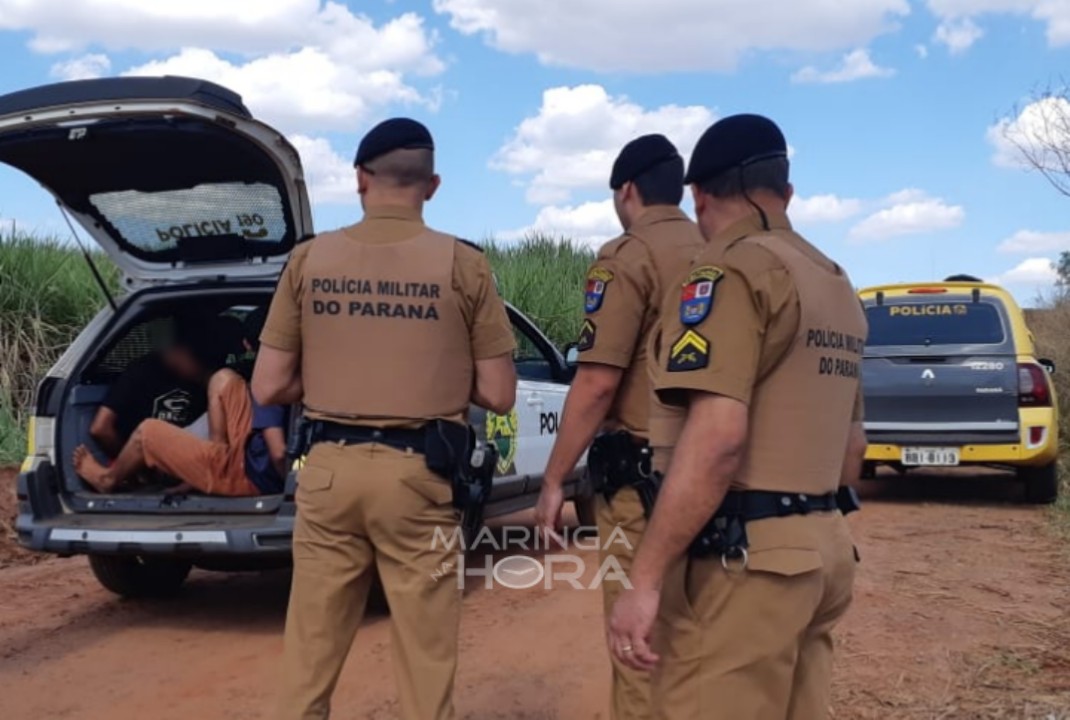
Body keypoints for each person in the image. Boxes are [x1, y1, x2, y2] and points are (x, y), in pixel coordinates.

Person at [251, 117, 517, 720]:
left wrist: (331, 377)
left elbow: (268, 384)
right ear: (434, 184)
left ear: (360, 179)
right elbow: (499, 393)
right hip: (419, 475)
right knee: (426, 659)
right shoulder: (464, 264)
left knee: (309, 658)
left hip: (326, 474)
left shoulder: (309, 260)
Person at [606, 114, 868, 720]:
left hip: (744, 564)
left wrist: (643, 580)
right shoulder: (834, 282)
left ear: (700, 195)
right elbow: (852, 450)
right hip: (824, 551)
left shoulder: (728, 272)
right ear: (787, 192)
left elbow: (718, 439)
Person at [532, 135, 706, 720]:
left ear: (625, 190)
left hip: (645, 481)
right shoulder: (723, 249)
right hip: (722, 477)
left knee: (639, 643)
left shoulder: (626, 258)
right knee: (704, 637)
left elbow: (598, 382)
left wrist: (555, 481)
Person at [72, 307, 288, 497]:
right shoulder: (286, 375)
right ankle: (214, 463)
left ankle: (107, 479)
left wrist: (289, 492)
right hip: (244, 462)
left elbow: (278, 453)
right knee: (223, 379)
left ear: (247, 346)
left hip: (251, 478)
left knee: (148, 432)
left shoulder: (268, 386)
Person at [88, 313, 222, 457]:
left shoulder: (206, 381)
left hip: (183, 459)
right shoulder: (140, 372)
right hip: (145, 460)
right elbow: (100, 428)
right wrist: (132, 469)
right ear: (177, 350)